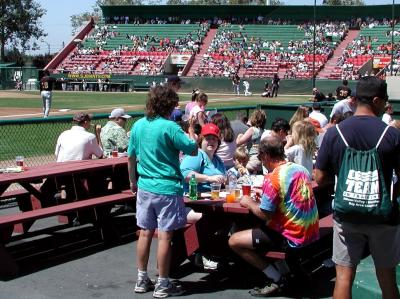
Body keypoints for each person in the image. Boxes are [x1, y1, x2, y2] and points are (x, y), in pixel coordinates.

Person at [315, 76, 400, 299]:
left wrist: (343, 180)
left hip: (346, 214)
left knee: (344, 277)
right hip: (382, 215)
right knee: (387, 278)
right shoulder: (391, 134)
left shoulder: (334, 132)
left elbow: (319, 177)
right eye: (385, 100)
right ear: (376, 100)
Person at [128, 85, 197, 298]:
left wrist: (133, 181)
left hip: (145, 186)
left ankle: (141, 278)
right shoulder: (170, 127)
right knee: (165, 235)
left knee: (145, 232)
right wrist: (192, 130)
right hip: (167, 187)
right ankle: (163, 283)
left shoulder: (138, 125)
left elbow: (130, 156)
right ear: (169, 105)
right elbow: (192, 148)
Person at [229, 136, 319, 297]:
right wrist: (264, 195)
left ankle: (276, 278)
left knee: (234, 241)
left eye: (260, 157)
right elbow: (288, 197)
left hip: (292, 236)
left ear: (265, 155)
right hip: (310, 230)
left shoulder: (273, 178)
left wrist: (249, 202)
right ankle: (284, 271)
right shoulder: (300, 170)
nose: (261, 161)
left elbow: (265, 215)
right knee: (258, 229)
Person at [180, 123, 226, 192]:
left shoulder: (218, 159)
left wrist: (224, 180)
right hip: (194, 198)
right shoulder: (197, 154)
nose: (211, 141)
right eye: (207, 139)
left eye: (214, 139)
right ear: (201, 141)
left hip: (215, 196)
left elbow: (224, 179)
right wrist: (209, 178)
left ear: (218, 143)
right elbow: (184, 174)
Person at [236, 110, 267, 174]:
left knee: (236, 167)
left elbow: (238, 142)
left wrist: (239, 136)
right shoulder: (264, 131)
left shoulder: (252, 130)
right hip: (262, 161)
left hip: (252, 160)